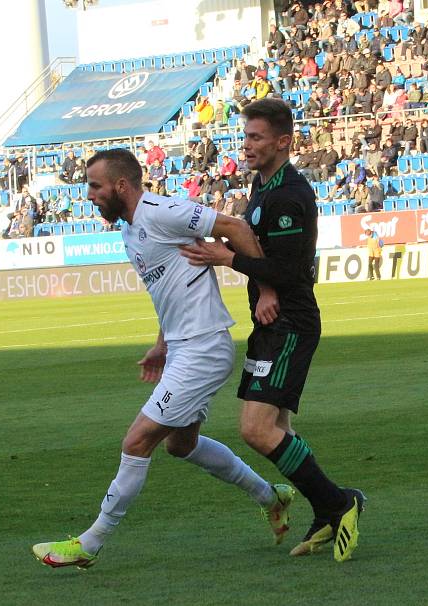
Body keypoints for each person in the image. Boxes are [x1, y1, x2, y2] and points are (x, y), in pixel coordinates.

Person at [32, 148, 295, 569]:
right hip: (183, 347)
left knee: (137, 441)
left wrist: (267, 289)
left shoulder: (162, 211)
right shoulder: (130, 231)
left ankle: (90, 542)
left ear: (121, 186)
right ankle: (272, 496)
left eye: (95, 186)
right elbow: (169, 288)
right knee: (181, 444)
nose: (90, 195)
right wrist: (162, 341)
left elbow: (234, 226)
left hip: (204, 348)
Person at [179, 99, 365, 562]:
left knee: (257, 430)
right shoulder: (263, 185)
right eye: (245, 137)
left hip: (292, 322)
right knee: (278, 427)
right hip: (271, 321)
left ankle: (340, 503)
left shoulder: (288, 194)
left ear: (284, 142)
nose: (247, 146)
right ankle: (327, 510)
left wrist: (229, 259)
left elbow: (289, 267)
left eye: (256, 137)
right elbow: (264, 254)